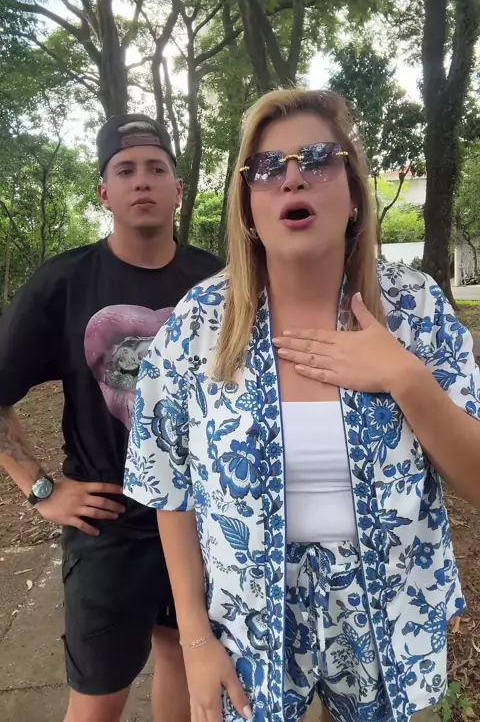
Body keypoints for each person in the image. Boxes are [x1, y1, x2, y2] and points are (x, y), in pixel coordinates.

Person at [124, 89, 480, 722]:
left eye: (317, 159)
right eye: (267, 167)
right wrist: (195, 638)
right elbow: (168, 485)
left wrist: (405, 377)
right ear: (247, 206)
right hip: (248, 631)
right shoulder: (199, 325)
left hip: (390, 622)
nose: (292, 177)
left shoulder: (415, 310)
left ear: (354, 193)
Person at [0, 113, 223, 722]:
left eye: (156, 168)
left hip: (202, 519)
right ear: (104, 192)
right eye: (125, 170)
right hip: (109, 528)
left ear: (179, 189)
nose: (142, 180)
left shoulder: (217, 284)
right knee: (98, 698)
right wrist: (41, 489)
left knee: (184, 657)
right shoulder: (63, 283)